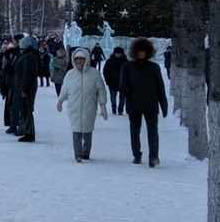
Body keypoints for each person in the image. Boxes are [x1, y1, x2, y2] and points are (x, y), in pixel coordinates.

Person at [119, 37, 170, 167]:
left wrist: (163, 105)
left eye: (144, 51)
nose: (141, 54)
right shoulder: (127, 67)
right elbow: (123, 86)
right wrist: (128, 98)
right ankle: (137, 154)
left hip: (151, 104)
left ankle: (153, 156)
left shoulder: (154, 67)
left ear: (148, 52)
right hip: (134, 105)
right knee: (135, 131)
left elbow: (160, 87)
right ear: (134, 52)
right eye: (139, 51)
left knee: (153, 131)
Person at [57, 47, 108, 161]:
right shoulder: (70, 74)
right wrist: (60, 100)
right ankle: (78, 154)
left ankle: (86, 151)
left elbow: (101, 90)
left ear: (86, 60)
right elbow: (64, 89)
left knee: (87, 131)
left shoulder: (94, 73)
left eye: (81, 59)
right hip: (74, 107)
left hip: (89, 106)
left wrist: (103, 105)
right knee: (76, 131)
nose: (79, 62)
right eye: (77, 60)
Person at [9, 35, 40, 142]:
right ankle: (26, 130)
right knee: (24, 109)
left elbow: (27, 74)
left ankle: (29, 132)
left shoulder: (29, 57)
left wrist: (23, 88)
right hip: (25, 87)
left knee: (26, 109)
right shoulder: (29, 56)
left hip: (26, 88)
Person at [102, 46, 128, 115]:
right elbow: (105, 71)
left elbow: (129, 73)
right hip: (112, 82)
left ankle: (120, 110)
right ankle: (114, 108)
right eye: (117, 53)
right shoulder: (110, 61)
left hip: (123, 83)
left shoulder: (126, 62)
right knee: (113, 98)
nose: (118, 55)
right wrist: (108, 81)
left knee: (122, 99)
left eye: (119, 53)